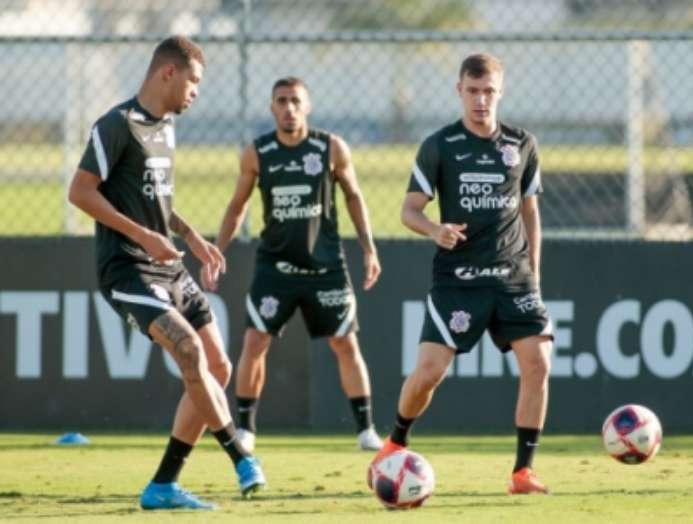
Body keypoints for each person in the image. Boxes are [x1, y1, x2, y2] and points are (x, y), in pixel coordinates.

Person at [68, 36, 265, 510]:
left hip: (170, 267)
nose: (197, 91)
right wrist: (144, 237)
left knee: (218, 366)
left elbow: (160, 203)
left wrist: (191, 237)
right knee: (190, 351)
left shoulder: (167, 128)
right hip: (128, 271)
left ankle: (162, 486)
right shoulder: (116, 125)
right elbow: (80, 192)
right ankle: (239, 455)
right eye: (193, 81)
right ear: (167, 74)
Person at [370, 53, 554, 495]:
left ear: (500, 92)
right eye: (473, 91)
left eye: (489, 91)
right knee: (430, 371)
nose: (481, 100)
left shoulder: (522, 144)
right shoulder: (439, 145)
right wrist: (436, 229)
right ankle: (395, 441)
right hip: (459, 280)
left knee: (538, 362)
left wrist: (534, 275)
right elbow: (409, 211)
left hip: (513, 277)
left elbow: (531, 213)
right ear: (459, 91)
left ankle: (522, 472)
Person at [204, 77, 383, 459]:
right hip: (276, 267)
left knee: (345, 343)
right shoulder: (257, 153)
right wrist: (217, 252)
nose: (289, 108)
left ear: (308, 105)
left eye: (296, 101)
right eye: (281, 101)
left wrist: (368, 248)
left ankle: (366, 429)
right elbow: (237, 207)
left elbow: (353, 196)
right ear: (271, 108)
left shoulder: (330, 147)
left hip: (326, 267)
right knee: (255, 341)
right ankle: (246, 429)